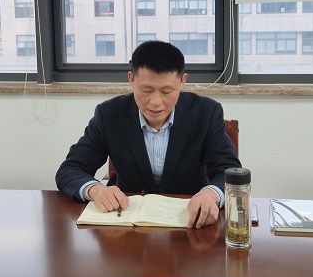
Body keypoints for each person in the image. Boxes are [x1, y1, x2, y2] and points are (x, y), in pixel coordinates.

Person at [56, 40, 241, 228]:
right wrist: (96, 190)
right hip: (129, 227)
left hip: (191, 224)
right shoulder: (109, 114)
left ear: (182, 81)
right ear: (131, 79)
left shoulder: (206, 113)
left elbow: (230, 172)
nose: (155, 102)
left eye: (166, 91)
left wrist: (211, 194)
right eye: (147, 90)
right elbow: (70, 169)